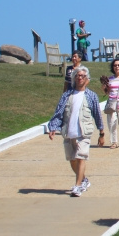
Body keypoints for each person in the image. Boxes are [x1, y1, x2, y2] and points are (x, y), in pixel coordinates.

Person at [46, 66, 104, 196]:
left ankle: (77, 186)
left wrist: (101, 133)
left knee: (80, 157)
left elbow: (97, 115)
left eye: (82, 76)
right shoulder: (67, 95)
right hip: (68, 132)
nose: (79, 78)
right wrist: (53, 127)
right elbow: (59, 112)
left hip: (84, 133)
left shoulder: (91, 96)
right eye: (77, 76)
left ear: (87, 79)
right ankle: (83, 180)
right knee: (72, 160)